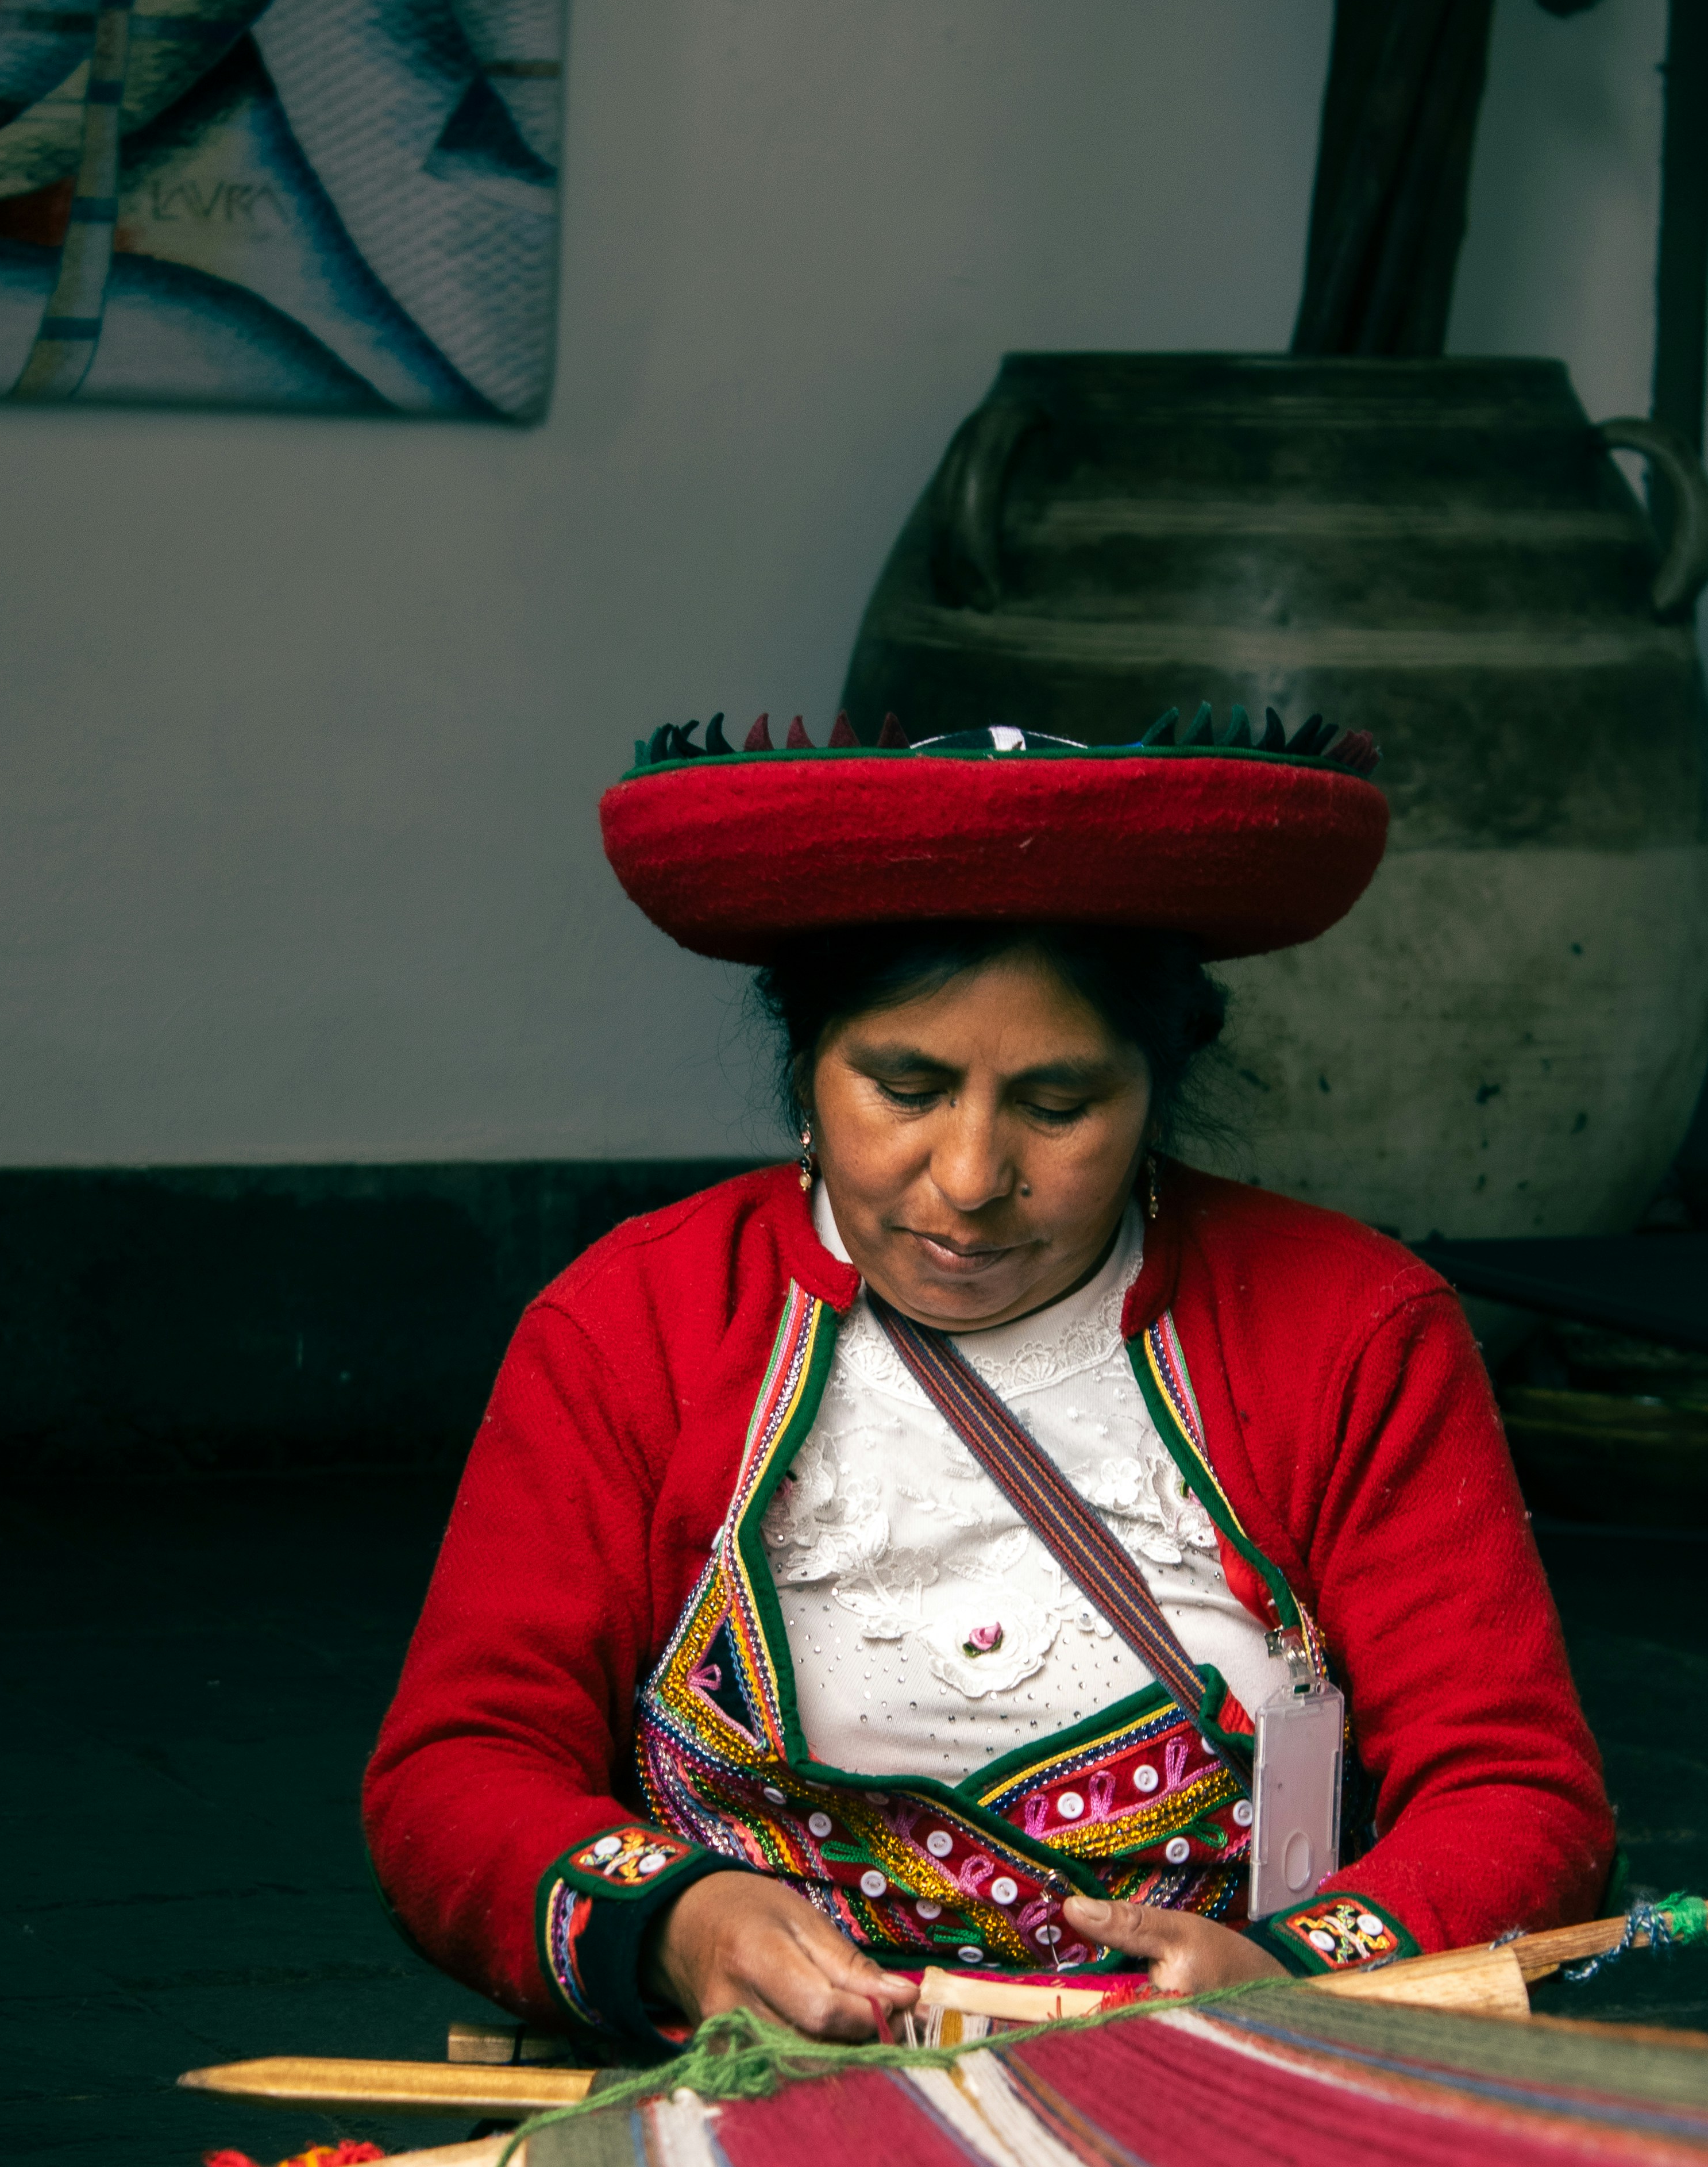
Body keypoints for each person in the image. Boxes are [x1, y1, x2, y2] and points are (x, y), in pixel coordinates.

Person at [363, 714, 1613, 2054]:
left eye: (1058, 1105)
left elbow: (1515, 1788)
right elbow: (457, 1768)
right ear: (804, 1067)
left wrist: (1284, 1969)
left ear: (1155, 1090)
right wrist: (677, 1921)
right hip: (742, 2086)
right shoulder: (638, 1323)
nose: (969, 1178)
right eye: (902, 1087)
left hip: (1218, 2083)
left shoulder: (1347, 1329)